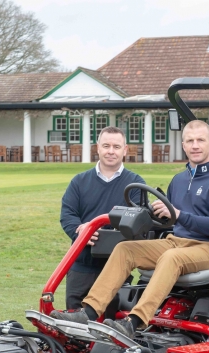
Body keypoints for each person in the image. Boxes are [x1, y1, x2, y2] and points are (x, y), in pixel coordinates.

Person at [61, 120, 209, 338]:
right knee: (126, 248)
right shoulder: (179, 180)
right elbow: (170, 223)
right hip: (177, 241)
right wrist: (153, 215)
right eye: (190, 141)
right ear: (183, 145)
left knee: (171, 257)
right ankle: (88, 311)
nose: (195, 145)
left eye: (200, 140)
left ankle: (134, 321)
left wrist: (179, 214)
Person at [52, 126, 145, 316]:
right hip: (81, 264)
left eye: (116, 147)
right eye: (106, 146)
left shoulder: (136, 183)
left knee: (112, 324)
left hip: (117, 266)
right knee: (74, 322)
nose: (111, 151)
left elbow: (139, 221)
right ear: (98, 148)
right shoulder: (79, 181)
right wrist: (81, 231)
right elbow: (67, 215)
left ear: (125, 150)